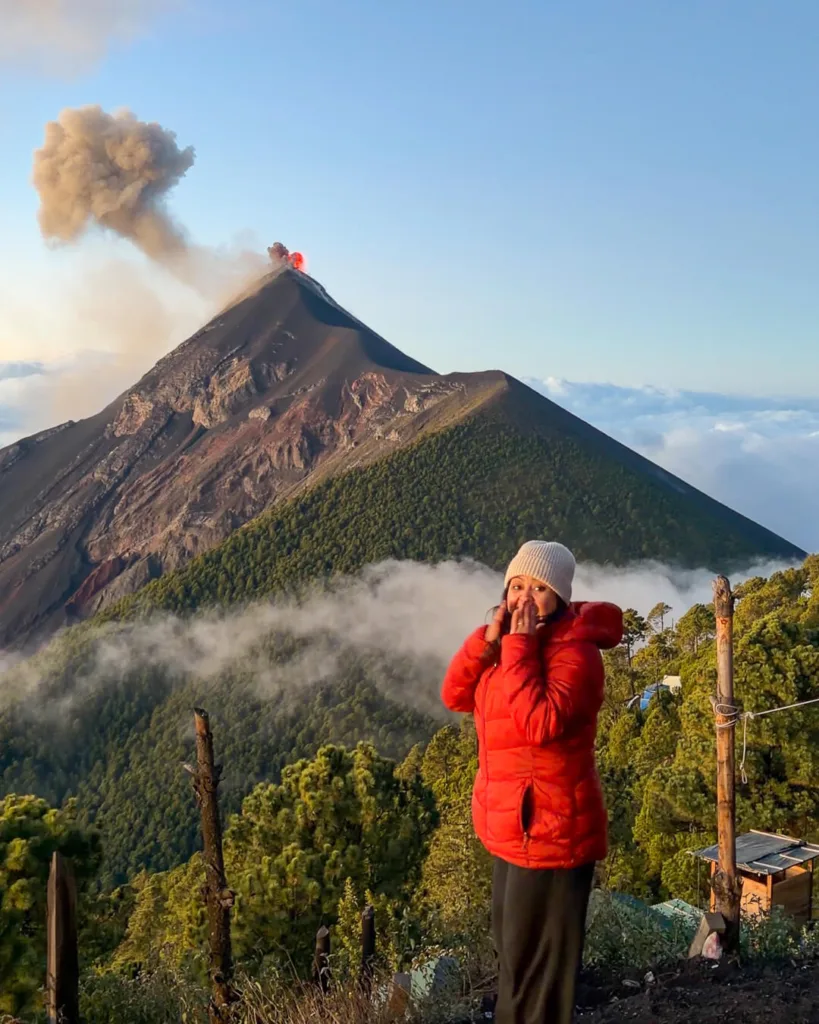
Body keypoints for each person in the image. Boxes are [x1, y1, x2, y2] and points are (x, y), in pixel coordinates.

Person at [441, 540, 623, 1024]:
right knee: (513, 956)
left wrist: (516, 647)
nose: (525, 596)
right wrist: (486, 642)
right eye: (516, 585)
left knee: (535, 974)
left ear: (560, 598)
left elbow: (538, 725)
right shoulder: (508, 647)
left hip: (552, 834)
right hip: (515, 830)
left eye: (539, 587)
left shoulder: (577, 656)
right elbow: (455, 694)